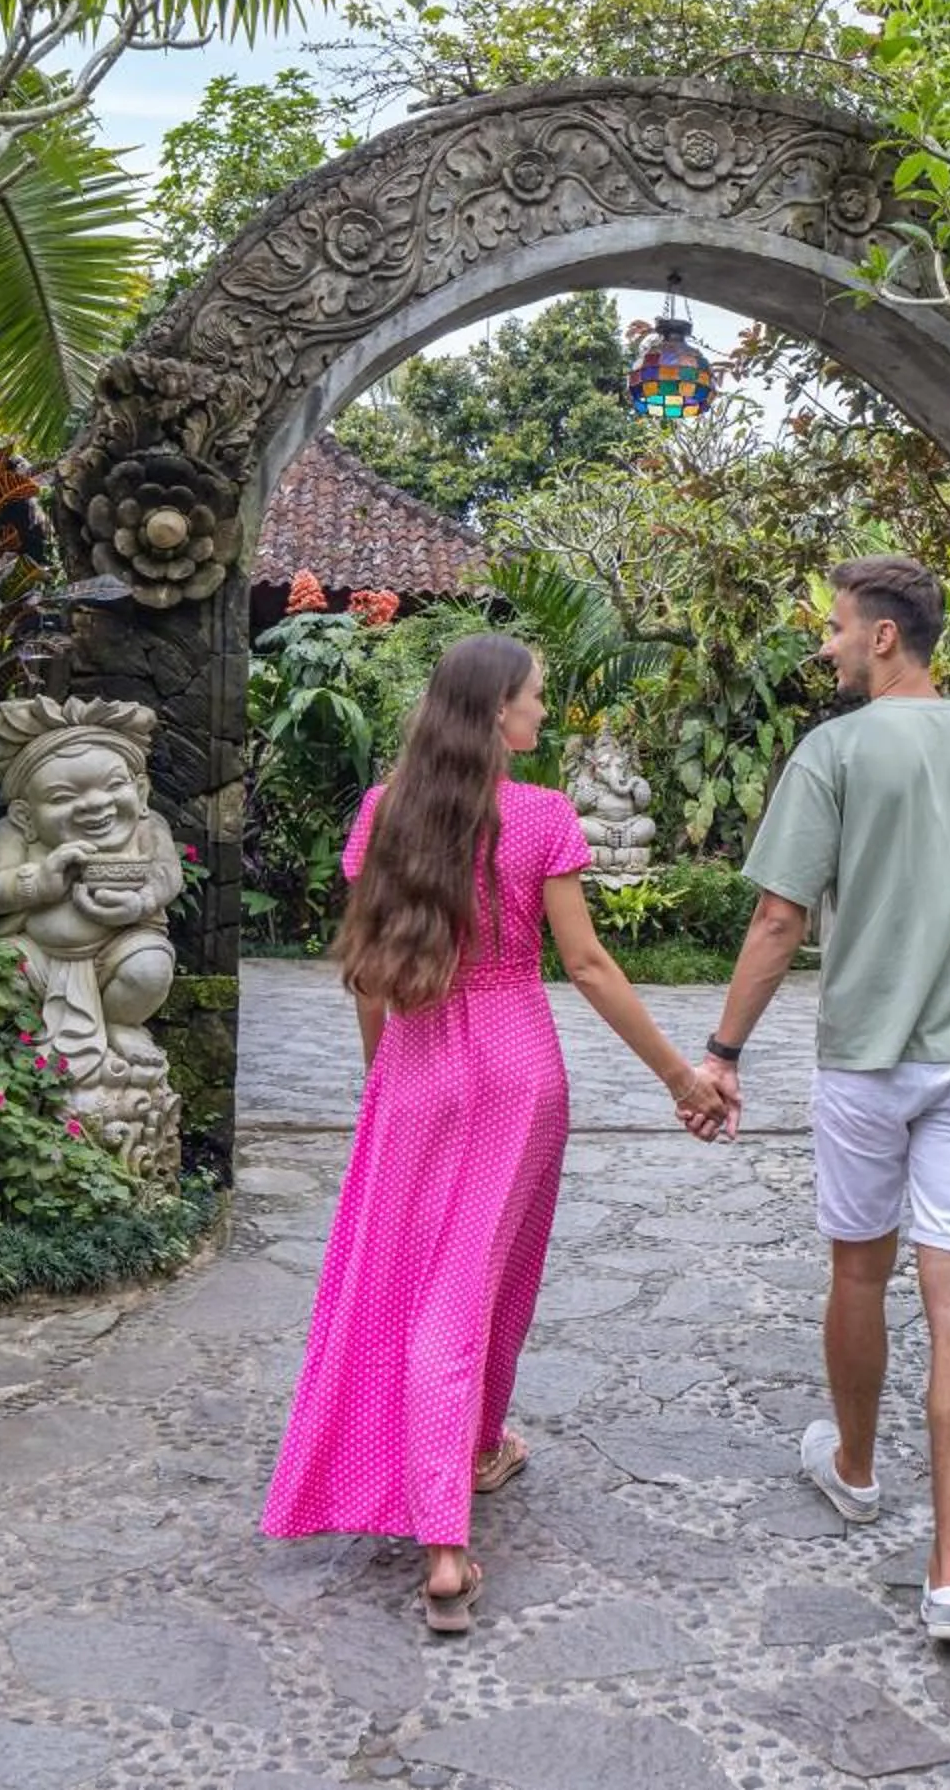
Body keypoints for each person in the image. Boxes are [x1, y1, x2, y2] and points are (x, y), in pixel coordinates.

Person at [261, 633, 735, 1635]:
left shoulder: (383, 815)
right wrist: (680, 1077)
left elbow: (372, 970)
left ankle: (468, 1450)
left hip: (420, 1068)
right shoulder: (541, 818)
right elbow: (591, 966)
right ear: (492, 714)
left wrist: (379, 1077)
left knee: (415, 1277)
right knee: (474, 1291)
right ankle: (443, 1536)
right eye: (533, 700)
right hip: (519, 1074)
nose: (543, 715)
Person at [693, 554, 950, 1644]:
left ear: (885, 637)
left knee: (858, 1266)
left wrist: (724, 1048)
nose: (828, 646)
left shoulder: (836, 753)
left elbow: (779, 919)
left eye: (838, 629)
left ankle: (855, 1469)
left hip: (867, 1057)